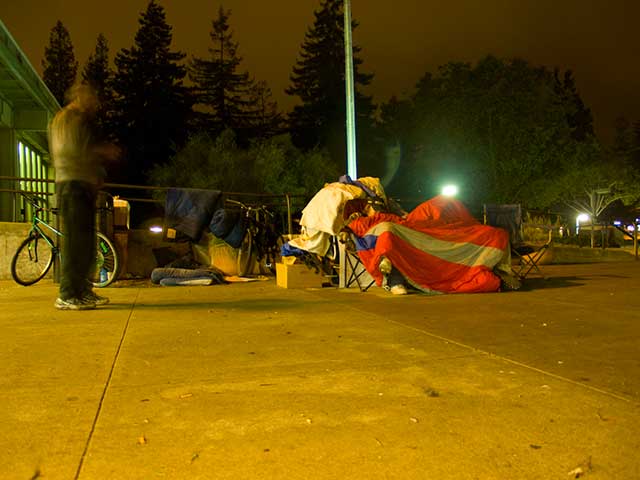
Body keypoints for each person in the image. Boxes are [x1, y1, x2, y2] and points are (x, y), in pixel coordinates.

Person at [49, 83, 118, 310]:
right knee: (75, 242)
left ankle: (83, 289)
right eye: (90, 97)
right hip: (72, 185)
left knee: (87, 242)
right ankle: (67, 293)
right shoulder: (67, 120)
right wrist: (101, 152)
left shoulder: (79, 120)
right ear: (79, 97)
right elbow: (72, 151)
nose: (94, 102)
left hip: (83, 185)